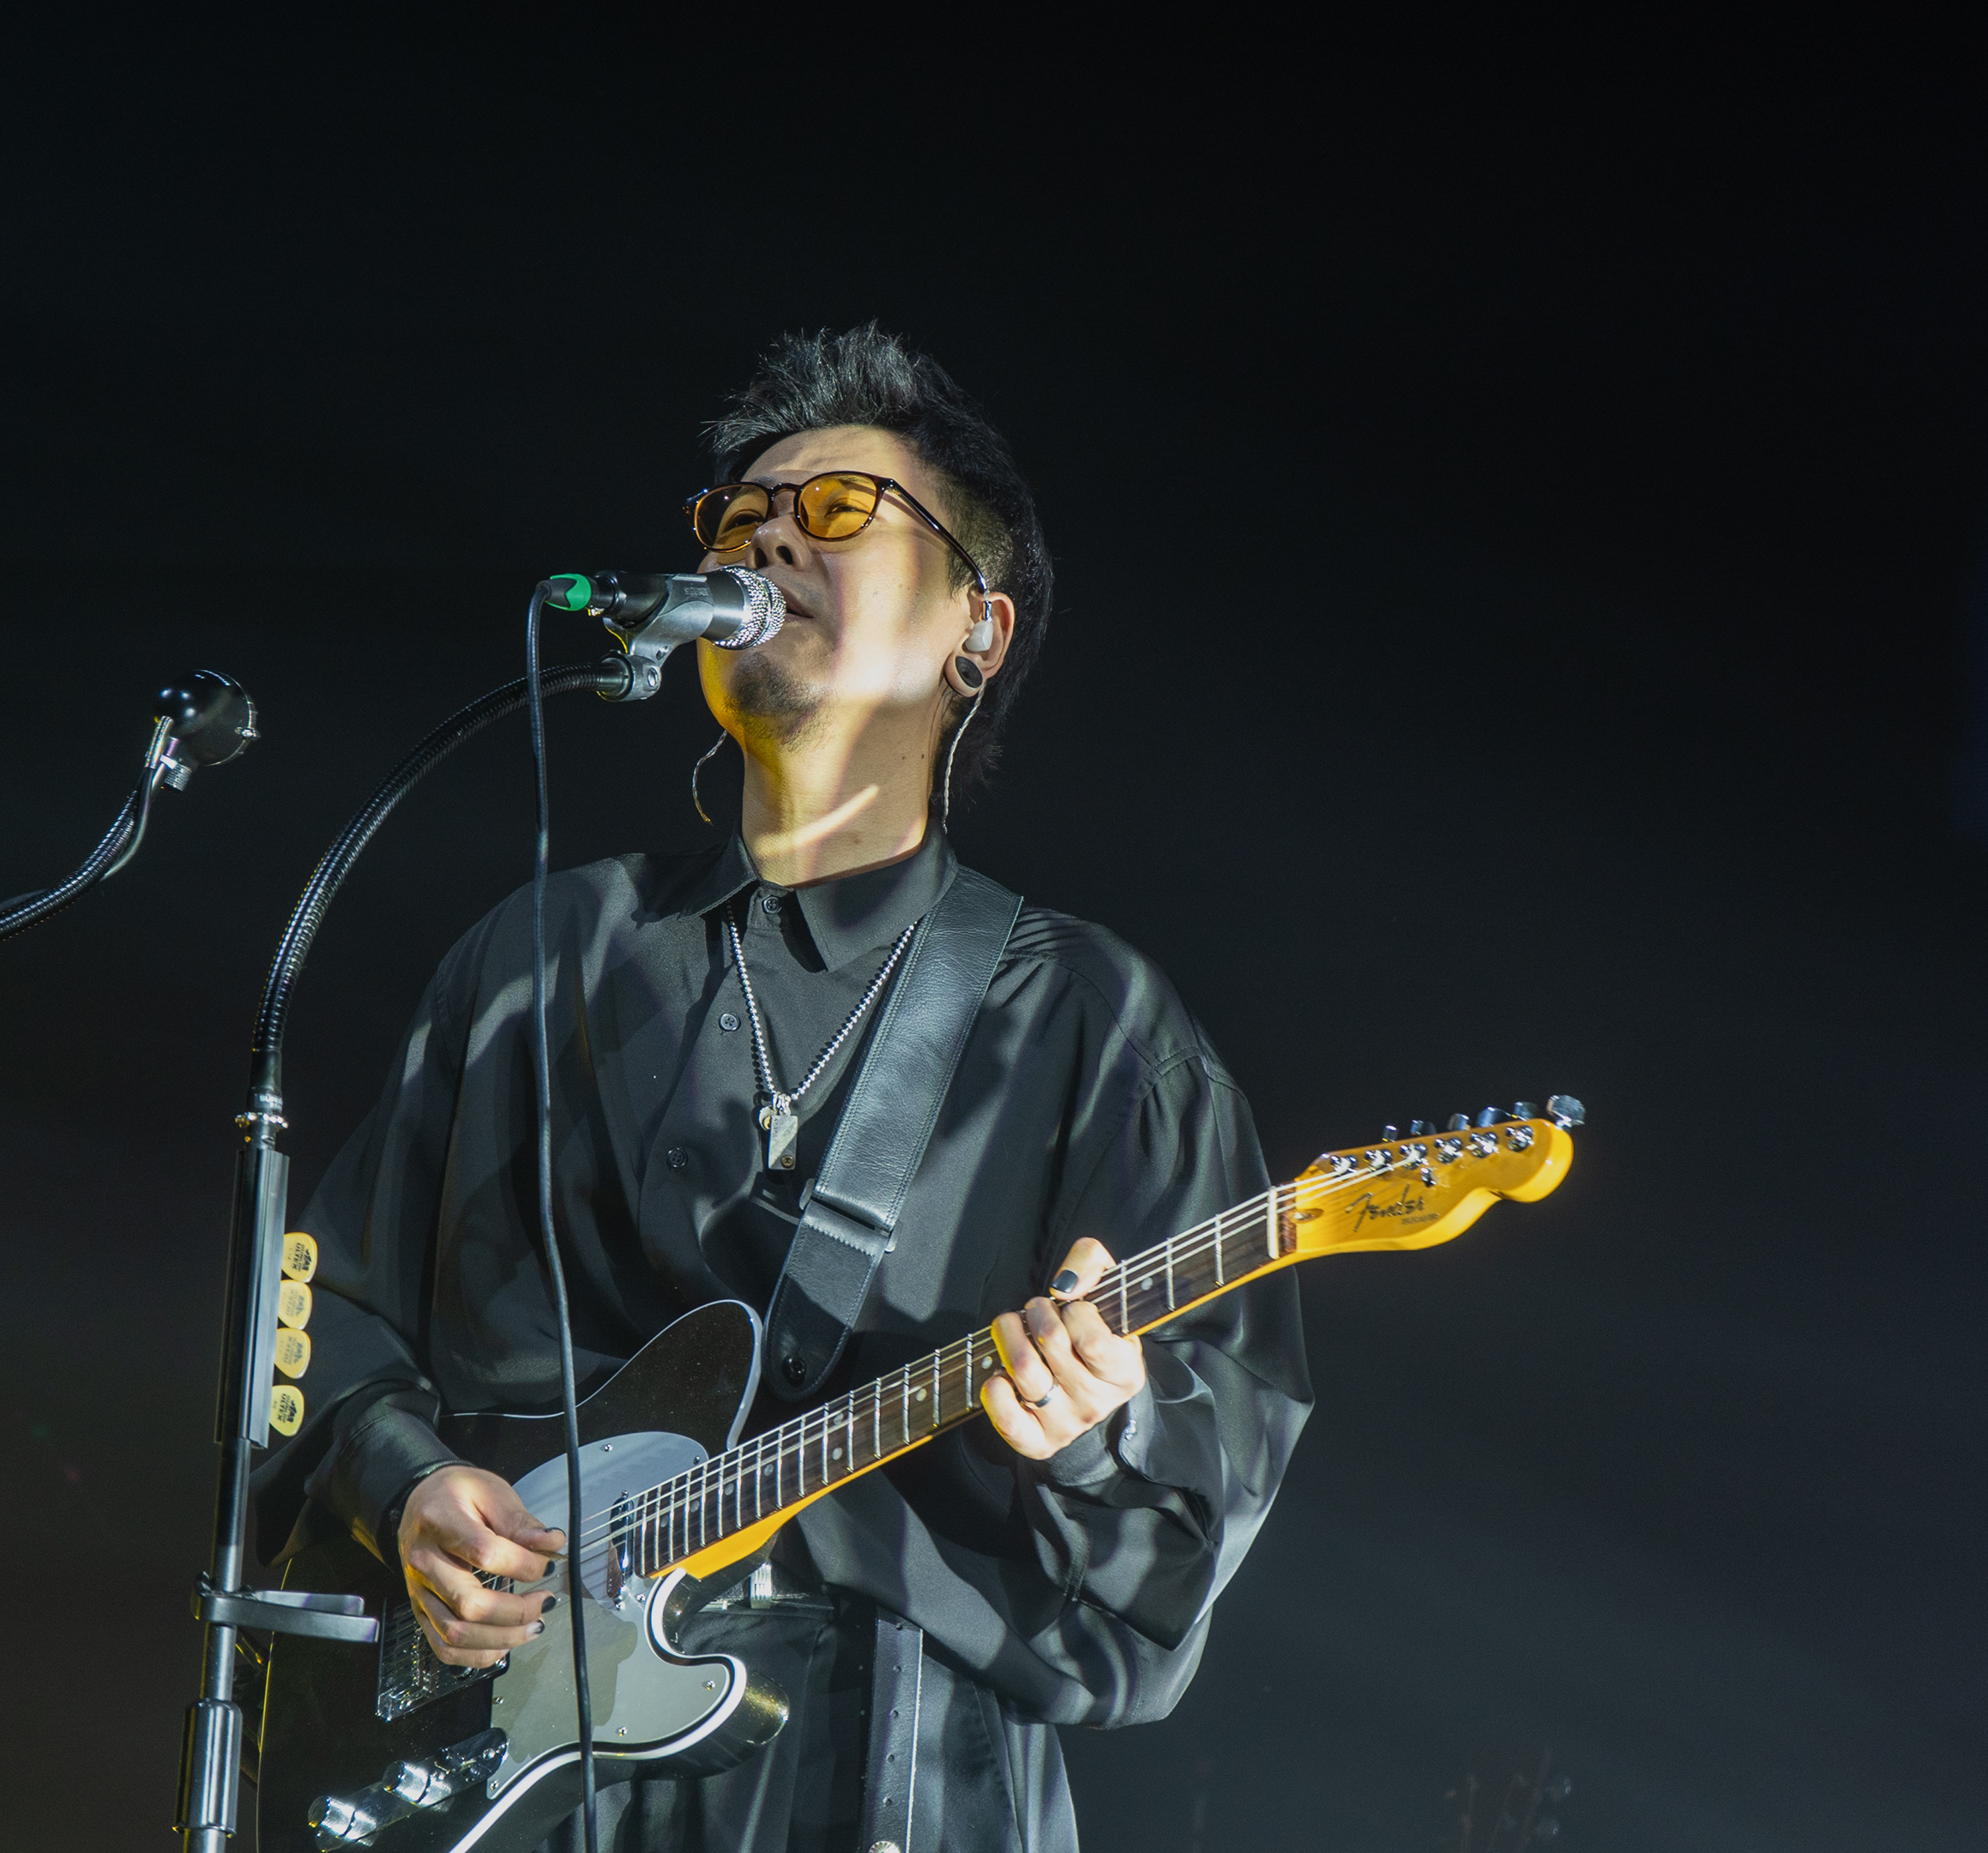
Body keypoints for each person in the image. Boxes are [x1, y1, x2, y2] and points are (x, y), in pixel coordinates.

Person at [253, 323, 1309, 1850]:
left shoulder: (1094, 1027)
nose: (765, 537)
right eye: (740, 514)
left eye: (836, 510)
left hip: (888, 1776)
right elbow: (329, 1310)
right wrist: (408, 1488)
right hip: (502, 1786)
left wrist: (1100, 1424)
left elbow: (1186, 1529)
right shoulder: (544, 958)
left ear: (978, 629)